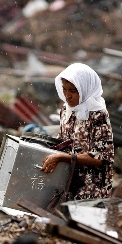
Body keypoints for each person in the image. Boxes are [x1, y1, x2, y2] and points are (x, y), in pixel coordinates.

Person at [41, 62, 114, 200]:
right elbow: (64, 141)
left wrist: (62, 158)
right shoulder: (66, 110)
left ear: (84, 89)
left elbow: (101, 158)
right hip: (68, 182)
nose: (67, 96)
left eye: (73, 91)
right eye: (64, 89)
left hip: (92, 187)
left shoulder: (97, 114)